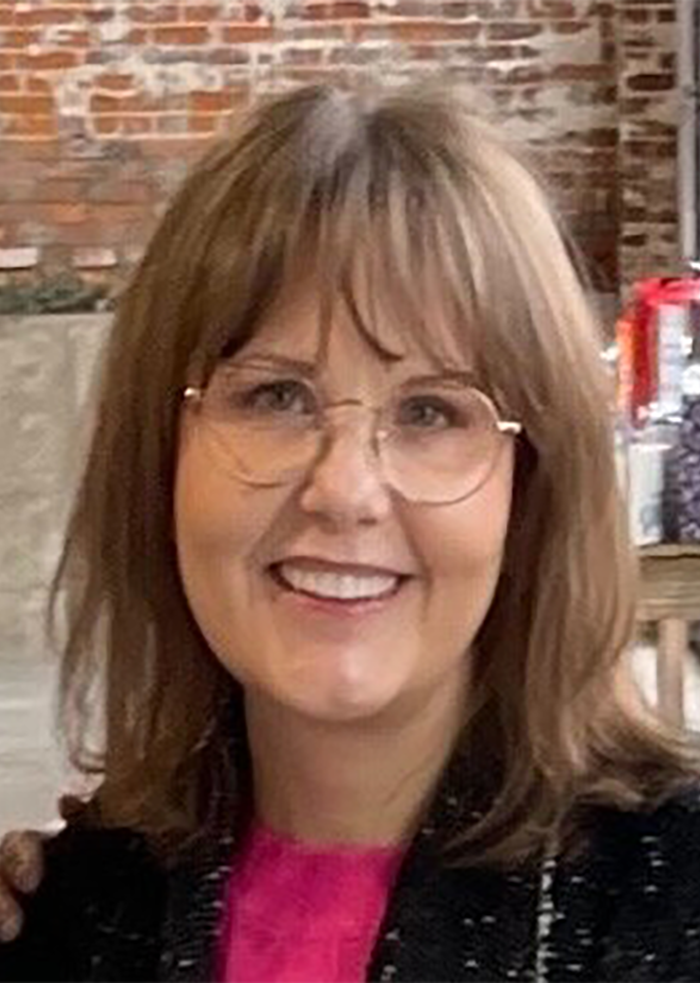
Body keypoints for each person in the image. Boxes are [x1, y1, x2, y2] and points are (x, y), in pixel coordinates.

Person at [1, 76, 700, 982]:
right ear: (160, 457)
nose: (345, 490)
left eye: (431, 411)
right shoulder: (73, 912)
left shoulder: (670, 898)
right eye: (275, 396)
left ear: (533, 487)